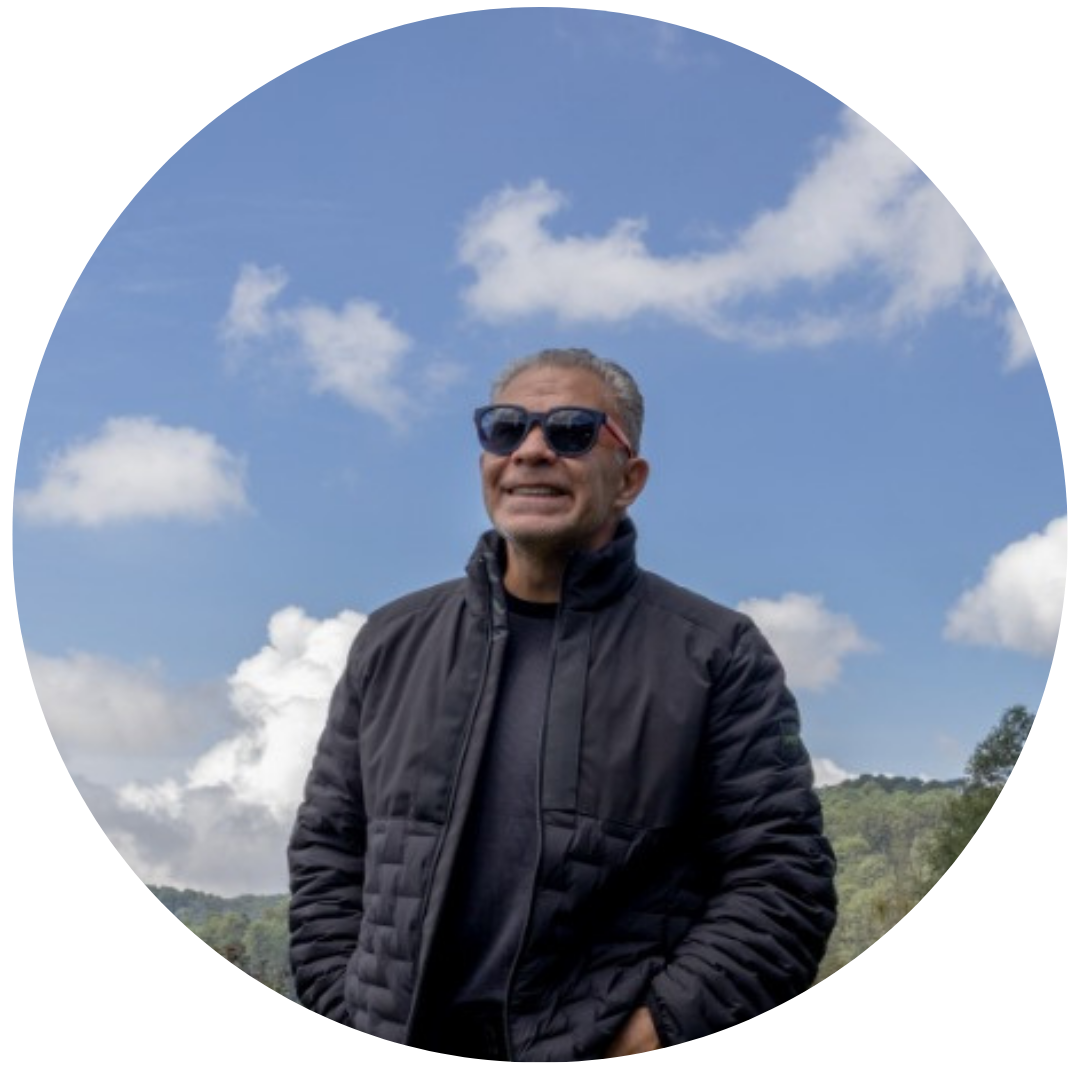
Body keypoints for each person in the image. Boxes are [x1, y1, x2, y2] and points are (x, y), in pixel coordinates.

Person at [287, 347, 837, 1063]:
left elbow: (782, 879)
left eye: (573, 431)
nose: (532, 450)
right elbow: (329, 849)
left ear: (629, 479)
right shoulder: (391, 641)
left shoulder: (716, 653)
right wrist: (350, 1012)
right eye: (506, 428)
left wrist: (654, 1032)